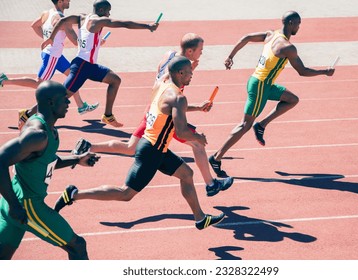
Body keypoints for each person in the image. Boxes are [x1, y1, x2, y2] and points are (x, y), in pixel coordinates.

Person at [53, 56, 225, 230]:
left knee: (187, 174)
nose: (192, 74)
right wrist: (199, 138)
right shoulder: (179, 97)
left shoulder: (162, 85)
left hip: (156, 147)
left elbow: (170, 108)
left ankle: (200, 218)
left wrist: (196, 107)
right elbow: (181, 131)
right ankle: (74, 194)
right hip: (152, 151)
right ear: (180, 73)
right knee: (125, 193)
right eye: (189, 71)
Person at [71, 33, 234, 197]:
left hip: (153, 108)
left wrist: (196, 105)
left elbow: (160, 83)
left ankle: (88, 146)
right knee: (197, 144)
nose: (202, 53)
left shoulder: (169, 56)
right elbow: (173, 100)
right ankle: (211, 184)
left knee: (131, 147)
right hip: (162, 118)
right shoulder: (180, 72)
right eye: (201, 49)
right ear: (190, 52)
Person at [209, 11, 335, 177]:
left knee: (292, 100)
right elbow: (302, 71)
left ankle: (261, 125)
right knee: (244, 125)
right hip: (260, 86)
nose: (299, 26)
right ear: (290, 23)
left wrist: (230, 56)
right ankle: (216, 157)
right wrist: (325, 72)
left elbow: (246, 37)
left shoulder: (271, 34)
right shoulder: (288, 47)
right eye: (298, 23)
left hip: (262, 83)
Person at [0, 81, 100, 260]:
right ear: (51, 102)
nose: (69, 103)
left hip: (15, 200)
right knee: (77, 246)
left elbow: (45, 161)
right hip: (28, 205)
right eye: (65, 99)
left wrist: (77, 159)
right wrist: (15, 205)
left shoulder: (49, 129)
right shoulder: (37, 134)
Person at [41, 0, 159, 127]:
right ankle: (31, 115)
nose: (109, 15)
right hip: (81, 67)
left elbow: (62, 21)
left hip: (89, 66)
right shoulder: (98, 21)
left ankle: (108, 115)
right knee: (60, 98)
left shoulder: (82, 17)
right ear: (101, 10)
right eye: (108, 11)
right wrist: (148, 26)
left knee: (115, 80)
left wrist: (51, 37)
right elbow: (124, 24)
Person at [0, 0, 99, 130]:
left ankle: (81, 106)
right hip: (52, 56)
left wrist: (47, 39)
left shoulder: (46, 13)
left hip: (54, 55)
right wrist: (96, 40)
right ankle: (5, 81)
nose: (70, 1)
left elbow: (34, 26)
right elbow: (76, 42)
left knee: (72, 76)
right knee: (39, 83)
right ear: (60, 1)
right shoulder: (62, 19)